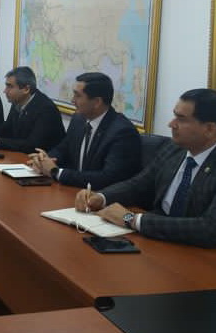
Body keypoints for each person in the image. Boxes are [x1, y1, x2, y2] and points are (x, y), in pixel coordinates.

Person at [76, 89, 216, 248]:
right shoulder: (174, 149)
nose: (171, 124)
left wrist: (131, 219)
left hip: (195, 252)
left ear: (209, 129)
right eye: (174, 116)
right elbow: (139, 184)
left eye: (181, 119)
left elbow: (209, 228)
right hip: (155, 242)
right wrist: (101, 197)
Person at [28, 72, 140, 189]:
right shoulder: (78, 120)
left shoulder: (122, 132)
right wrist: (44, 160)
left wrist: (56, 172)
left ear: (97, 102)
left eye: (77, 95)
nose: (72, 100)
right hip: (73, 190)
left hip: (98, 196)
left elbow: (107, 178)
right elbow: (63, 149)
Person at [0, 66, 65, 153]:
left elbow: (33, 145)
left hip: (44, 159)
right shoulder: (17, 101)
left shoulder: (46, 109)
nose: (5, 91)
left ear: (26, 89)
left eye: (10, 86)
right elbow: (7, 127)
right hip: (21, 155)